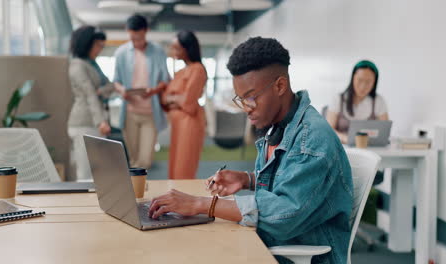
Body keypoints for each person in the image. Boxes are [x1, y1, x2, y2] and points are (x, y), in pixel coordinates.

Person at [147, 37, 353, 264]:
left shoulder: (312, 140)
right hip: (269, 242)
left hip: (295, 253)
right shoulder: (279, 124)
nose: (246, 109)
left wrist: (201, 204)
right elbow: (292, 181)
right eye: (241, 99)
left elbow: (283, 215)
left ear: (280, 86)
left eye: (251, 97)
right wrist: (247, 179)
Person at [113, 14, 170, 169]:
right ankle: (137, 191)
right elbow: (115, 81)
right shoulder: (121, 53)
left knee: (145, 161)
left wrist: (154, 90)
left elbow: (165, 79)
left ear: (146, 31)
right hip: (130, 113)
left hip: (150, 114)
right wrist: (122, 90)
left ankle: (139, 188)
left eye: (139, 38)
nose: (136, 42)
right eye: (132, 38)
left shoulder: (158, 51)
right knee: (133, 160)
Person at [67, 25, 114, 180]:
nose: (100, 50)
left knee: (100, 171)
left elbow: (110, 85)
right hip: (84, 123)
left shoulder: (92, 64)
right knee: (86, 173)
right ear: (87, 43)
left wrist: (100, 91)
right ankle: (83, 204)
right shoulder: (77, 65)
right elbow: (89, 95)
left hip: (96, 122)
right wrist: (101, 121)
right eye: (98, 46)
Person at [160, 30, 207, 179]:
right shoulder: (181, 72)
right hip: (178, 124)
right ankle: (174, 199)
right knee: (174, 166)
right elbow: (164, 99)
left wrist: (173, 98)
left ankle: (184, 201)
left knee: (184, 167)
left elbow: (188, 102)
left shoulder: (198, 70)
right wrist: (174, 98)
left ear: (187, 49)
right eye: (173, 47)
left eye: (177, 48)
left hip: (190, 124)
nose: (173, 51)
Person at [326, 60, 389, 144]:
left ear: (374, 83)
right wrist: (346, 139)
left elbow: (384, 132)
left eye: (368, 82)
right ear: (353, 78)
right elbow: (328, 130)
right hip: (341, 148)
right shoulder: (338, 99)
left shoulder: (378, 101)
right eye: (360, 80)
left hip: (368, 149)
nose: (363, 86)